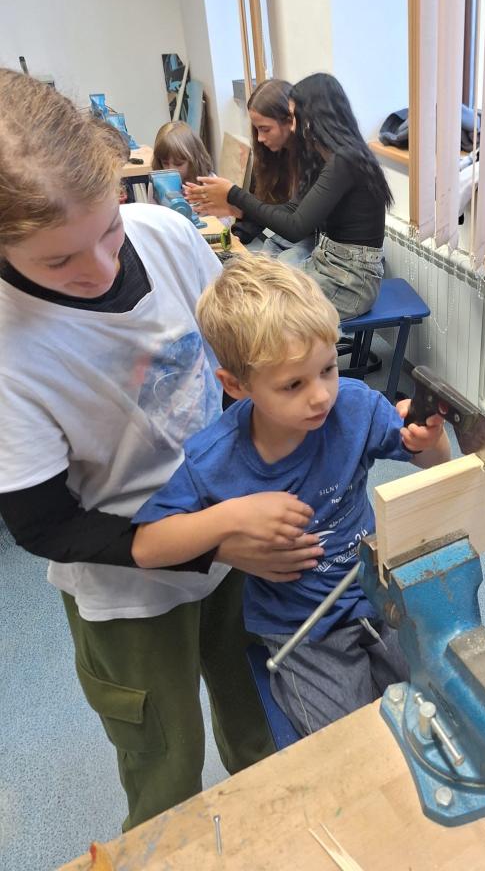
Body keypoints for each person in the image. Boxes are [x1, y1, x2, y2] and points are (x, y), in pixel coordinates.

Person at [0, 71, 324, 829]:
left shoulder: (168, 235)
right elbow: (48, 526)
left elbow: (240, 368)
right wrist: (214, 533)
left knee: (264, 725)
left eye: (108, 229)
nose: (101, 267)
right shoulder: (12, 351)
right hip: (130, 593)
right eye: (59, 261)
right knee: (165, 773)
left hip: (237, 546)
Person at [132, 254, 450, 736]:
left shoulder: (353, 406)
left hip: (379, 595)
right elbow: (147, 546)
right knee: (348, 742)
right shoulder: (215, 458)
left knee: (441, 703)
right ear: (236, 385)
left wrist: (429, 441)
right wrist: (231, 518)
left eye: (328, 368)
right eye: (293, 384)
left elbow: (438, 465)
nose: (321, 395)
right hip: (304, 627)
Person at [186, 73, 392, 322]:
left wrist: (234, 194)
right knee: (245, 286)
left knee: (257, 309)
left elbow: (296, 227)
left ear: (314, 117)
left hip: (350, 282)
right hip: (329, 265)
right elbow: (292, 210)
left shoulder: (345, 160)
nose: (293, 126)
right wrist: (238, 206)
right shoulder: (331, 157)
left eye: (295, 117)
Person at [236, 78, 314, 266]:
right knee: (256, 266)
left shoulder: (314, 158)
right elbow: (261, 205)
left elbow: (298, 222)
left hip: (316, 239)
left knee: (280, 270)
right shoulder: (272, 155)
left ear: (290, 121)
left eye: (265, 129)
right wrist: (238, 236)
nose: (260, 138)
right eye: (257, 130)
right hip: (286, 236)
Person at [151, 120, 213, 185]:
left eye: (178, 164)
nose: (171, 171)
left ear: (193, 161)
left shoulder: (210, 183)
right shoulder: (156, 182)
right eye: (165, 163)